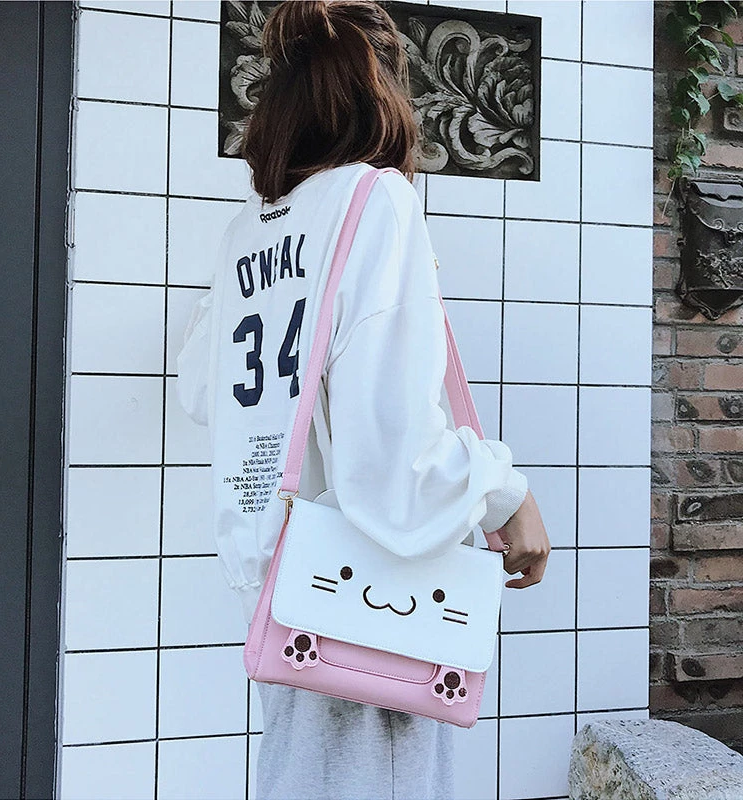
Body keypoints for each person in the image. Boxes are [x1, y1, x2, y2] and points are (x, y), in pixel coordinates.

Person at [176, 1, 550, 798]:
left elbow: (204, 392)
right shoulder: (375, 200)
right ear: (382, 93)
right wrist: (505, 493)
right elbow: (396, 461)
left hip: (284, 581)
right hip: (371, 590)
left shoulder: (251, 228)